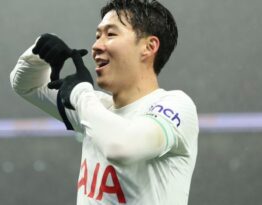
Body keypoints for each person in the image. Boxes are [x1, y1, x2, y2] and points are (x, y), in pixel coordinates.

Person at [10, 0, 199, 204]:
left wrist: (81, 93)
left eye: (111, 34)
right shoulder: (95, 109)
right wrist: (40, 52)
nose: (96, 46)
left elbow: (121, 148)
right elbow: (26, 86)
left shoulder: (176, 105)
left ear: (149, 46)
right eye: (97, 35)